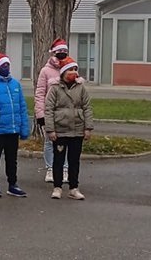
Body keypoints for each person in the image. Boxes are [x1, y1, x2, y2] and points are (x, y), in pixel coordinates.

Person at [0, 52, 30, 198]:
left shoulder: (15, 84)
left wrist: (24, 128)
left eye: (7, 65)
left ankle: (12, 184)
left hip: (12, 129)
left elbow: (22, 107)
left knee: (12, 159)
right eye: (3, 65)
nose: (6, 67)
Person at [45, 57, 93, 200]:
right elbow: (49, 110)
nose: (73, 73)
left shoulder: (81, 88)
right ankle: (57, 187)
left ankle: (74, 188)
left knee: (74, 160)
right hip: (60, 130)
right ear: (63, 72)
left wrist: (88, 127)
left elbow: (87, 108)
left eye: (75, 70)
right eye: (70, 70)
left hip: (77, 130)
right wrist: (51, 130)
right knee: (58, 160)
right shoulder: (55, 89)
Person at [35, 38, 70, 183]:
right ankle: (50, 169)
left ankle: (65, 169)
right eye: (59, 51)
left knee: (67, 141)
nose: (62, 54)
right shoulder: (45, 71)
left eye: (64, 51)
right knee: (50, 142)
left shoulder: (70, 69)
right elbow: (40, 93)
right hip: (50, 113)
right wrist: (40, 114)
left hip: (67, 113)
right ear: (53, 53)